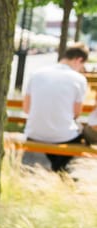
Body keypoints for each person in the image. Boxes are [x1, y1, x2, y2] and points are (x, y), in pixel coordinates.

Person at [23, 43, 89, 172]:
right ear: (79, 60)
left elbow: (26, 109)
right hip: (61, 136)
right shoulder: (79, 79)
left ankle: (52, 170)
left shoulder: (36, 73)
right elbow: (76, 114)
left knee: (59, 134)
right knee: (76, 136)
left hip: (33, 133)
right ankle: (59, 171)